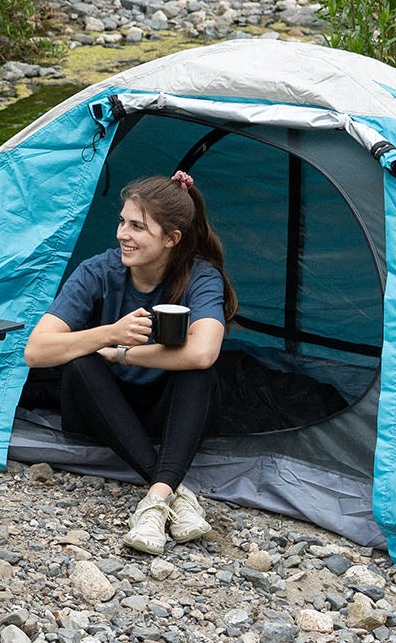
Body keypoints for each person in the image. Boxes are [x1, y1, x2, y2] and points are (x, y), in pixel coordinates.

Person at [22, 171, 236, 554]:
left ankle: (155, 500)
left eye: (137, 226)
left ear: (172, 240)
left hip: (163, 411)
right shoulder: (99, 271)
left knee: (200, 373)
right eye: (122, 221)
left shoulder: (201, 277)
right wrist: (108, 334)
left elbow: (204, 351)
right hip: (100, 412)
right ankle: (172, 490)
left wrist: (125, 353)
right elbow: (36, 351)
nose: (123, 233)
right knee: (81, 364)